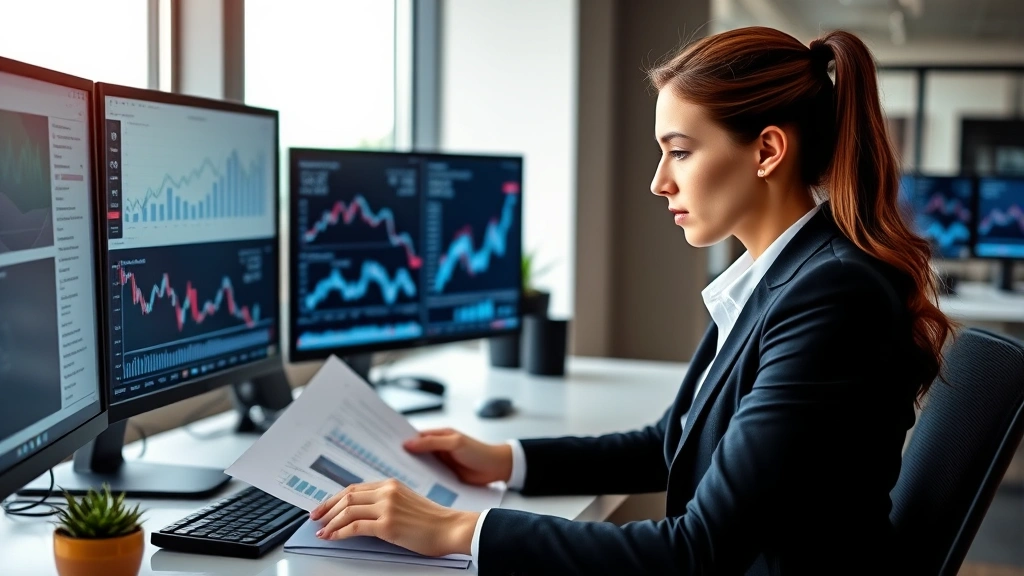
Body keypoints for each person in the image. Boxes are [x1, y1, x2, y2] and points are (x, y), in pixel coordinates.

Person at [308, 26, 955, 575]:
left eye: (679, 151)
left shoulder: (830, 295)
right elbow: (669, 442)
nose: (658, 181)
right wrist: (506, 460)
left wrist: (458, 532)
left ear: (766, 151)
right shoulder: (783, 275)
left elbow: (695, 551)